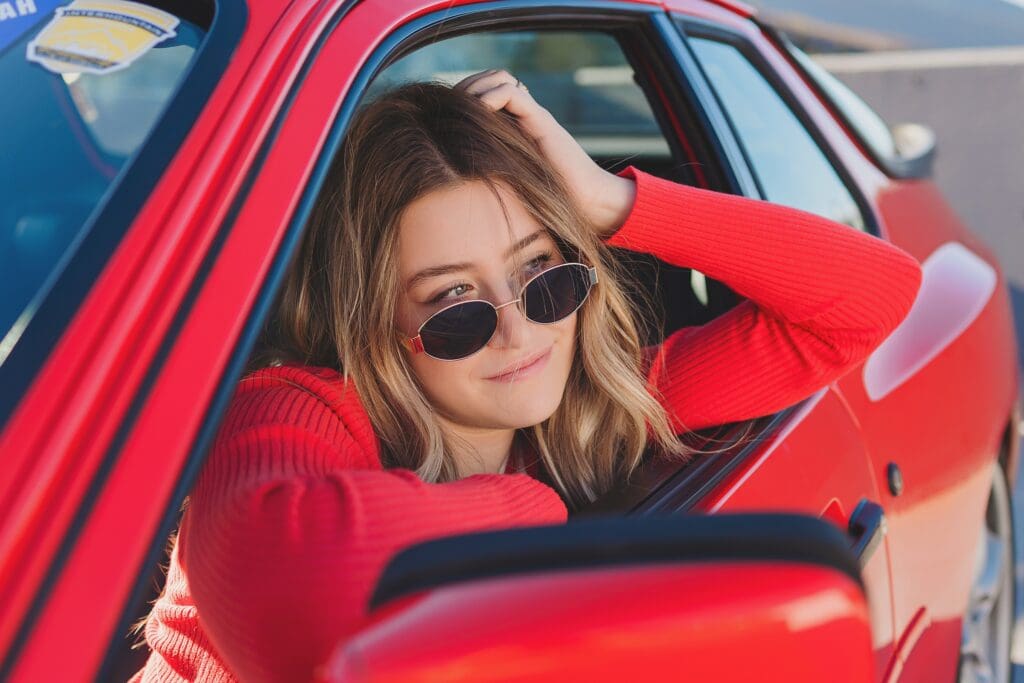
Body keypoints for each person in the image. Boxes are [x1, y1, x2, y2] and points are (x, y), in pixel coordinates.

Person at [130, 70, 922, 682]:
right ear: (374, 328)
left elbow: (871, 298)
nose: (521, 331)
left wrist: (610, 201)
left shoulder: (588, 408)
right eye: (453, 306)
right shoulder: (295, 409)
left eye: (545, 275)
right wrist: (536, 507)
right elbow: (308, 575)